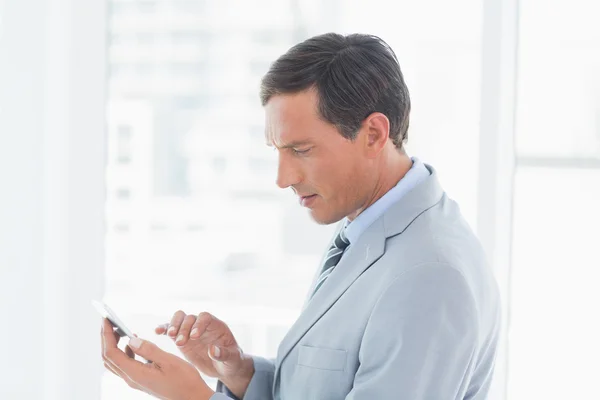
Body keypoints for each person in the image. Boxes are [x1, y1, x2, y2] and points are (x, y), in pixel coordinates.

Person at [101, 32, 501, 400]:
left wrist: (193, 396)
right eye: (277, 150)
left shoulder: (429, 275)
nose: (282, 178)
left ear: (374, 134)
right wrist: (240, 372)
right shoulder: (366, 226)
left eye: (301, 150)